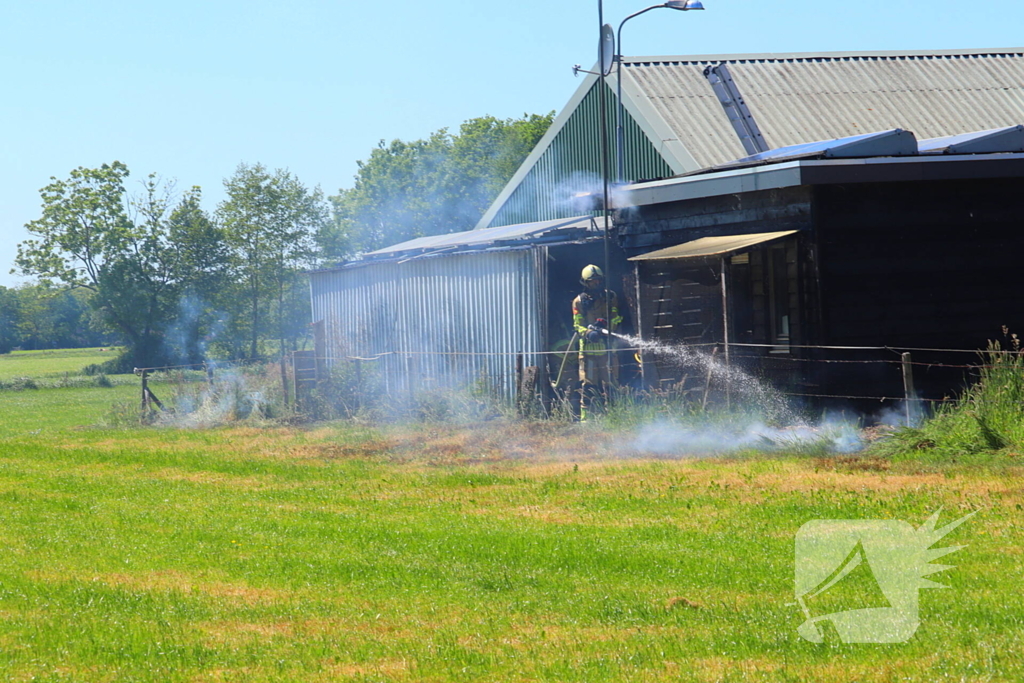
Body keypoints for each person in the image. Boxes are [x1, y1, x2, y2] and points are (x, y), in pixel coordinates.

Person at [572, 264, 623, 419]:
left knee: (611, 385)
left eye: (599, 281)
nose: (596, 284)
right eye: (593, 282)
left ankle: (613, 416)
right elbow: (577, 325)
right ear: (585, 283)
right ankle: (586, 418)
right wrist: (589, 333)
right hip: (588, 352)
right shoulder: (578, 302)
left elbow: (616, 317)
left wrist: (606, 324)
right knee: (588, 386)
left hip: (608, 350)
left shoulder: (610, 297)